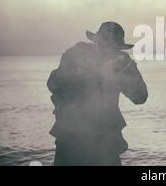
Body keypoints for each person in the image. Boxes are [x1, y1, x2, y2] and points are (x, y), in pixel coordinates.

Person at [47, 22, 148, 166]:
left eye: (112, 48)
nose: (106, 51)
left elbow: (140, 97)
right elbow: (53, 84)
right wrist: (82, 74)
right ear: (95, 42)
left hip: (105, 139)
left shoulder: (122, 62)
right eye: (103, 45)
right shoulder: (76, 54)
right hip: (70, 135)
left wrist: (128, 71)